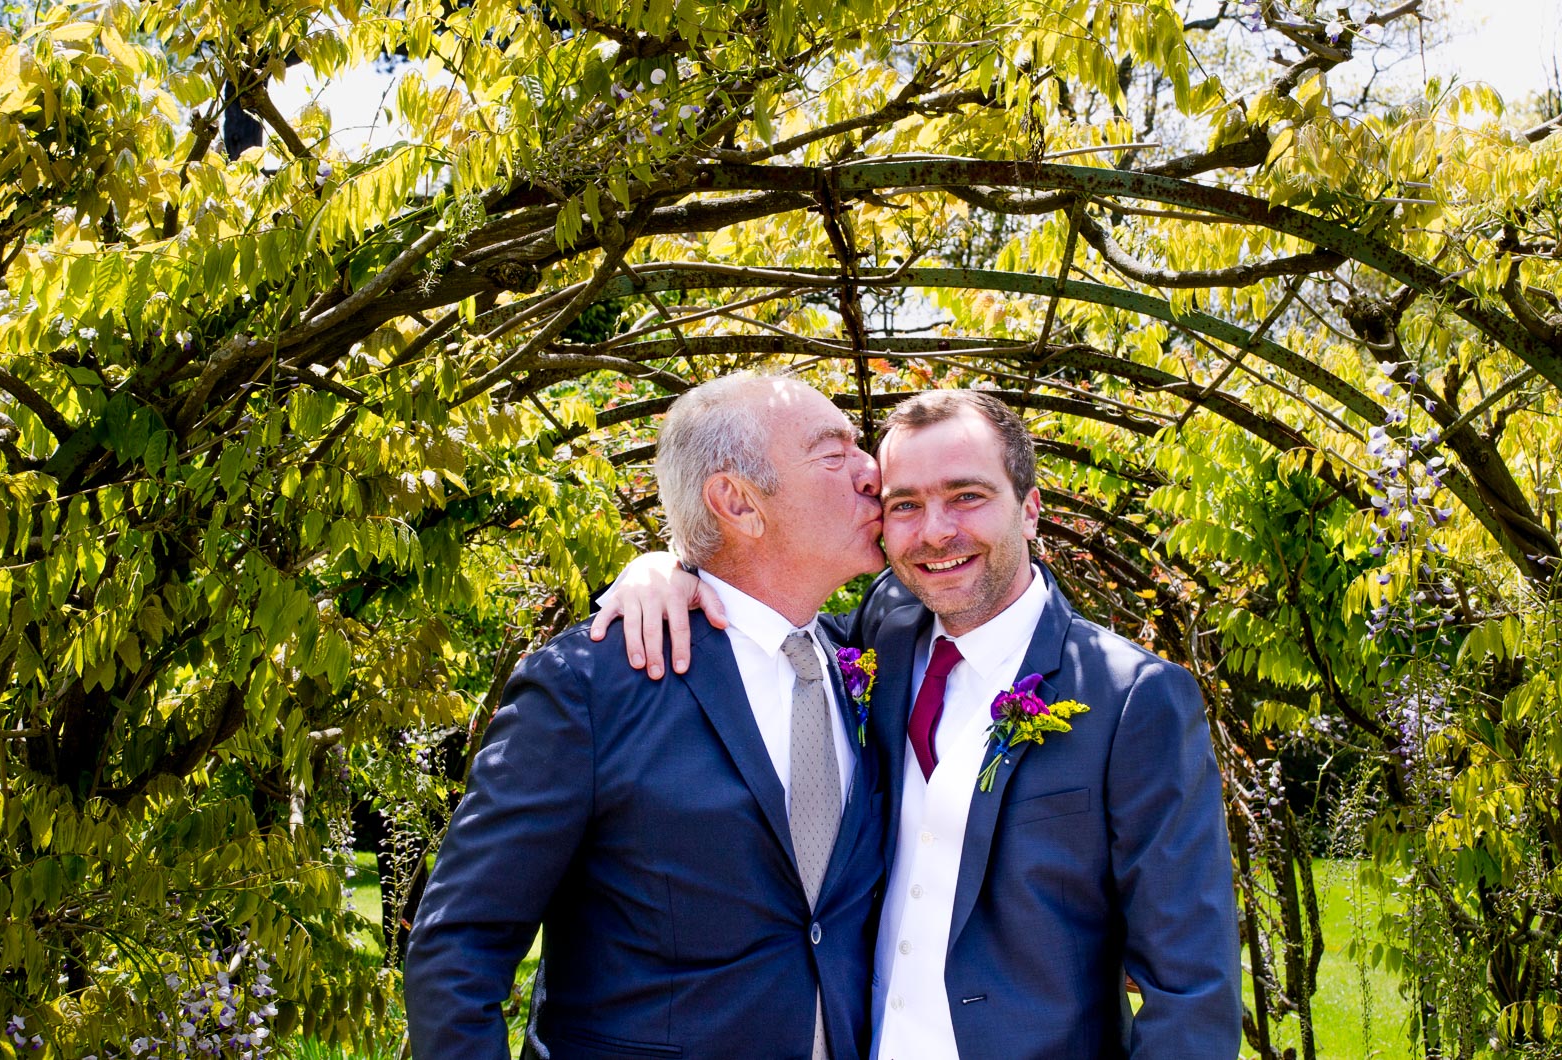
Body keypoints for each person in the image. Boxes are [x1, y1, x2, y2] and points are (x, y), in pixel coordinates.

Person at [597, 389, 1242, 1059]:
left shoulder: (1134, 699)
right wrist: (667, 567)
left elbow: (1192, 989)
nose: (935, 532)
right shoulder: (882, 637)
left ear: (1030, 510)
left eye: (967, 496)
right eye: (904, 505)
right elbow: (763, 621)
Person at [405, 373, 891, 1059]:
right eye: (833, 453)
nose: (873, 470)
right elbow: (458, 948)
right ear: (737, 502)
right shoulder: (589, 686)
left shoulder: (875, 660)